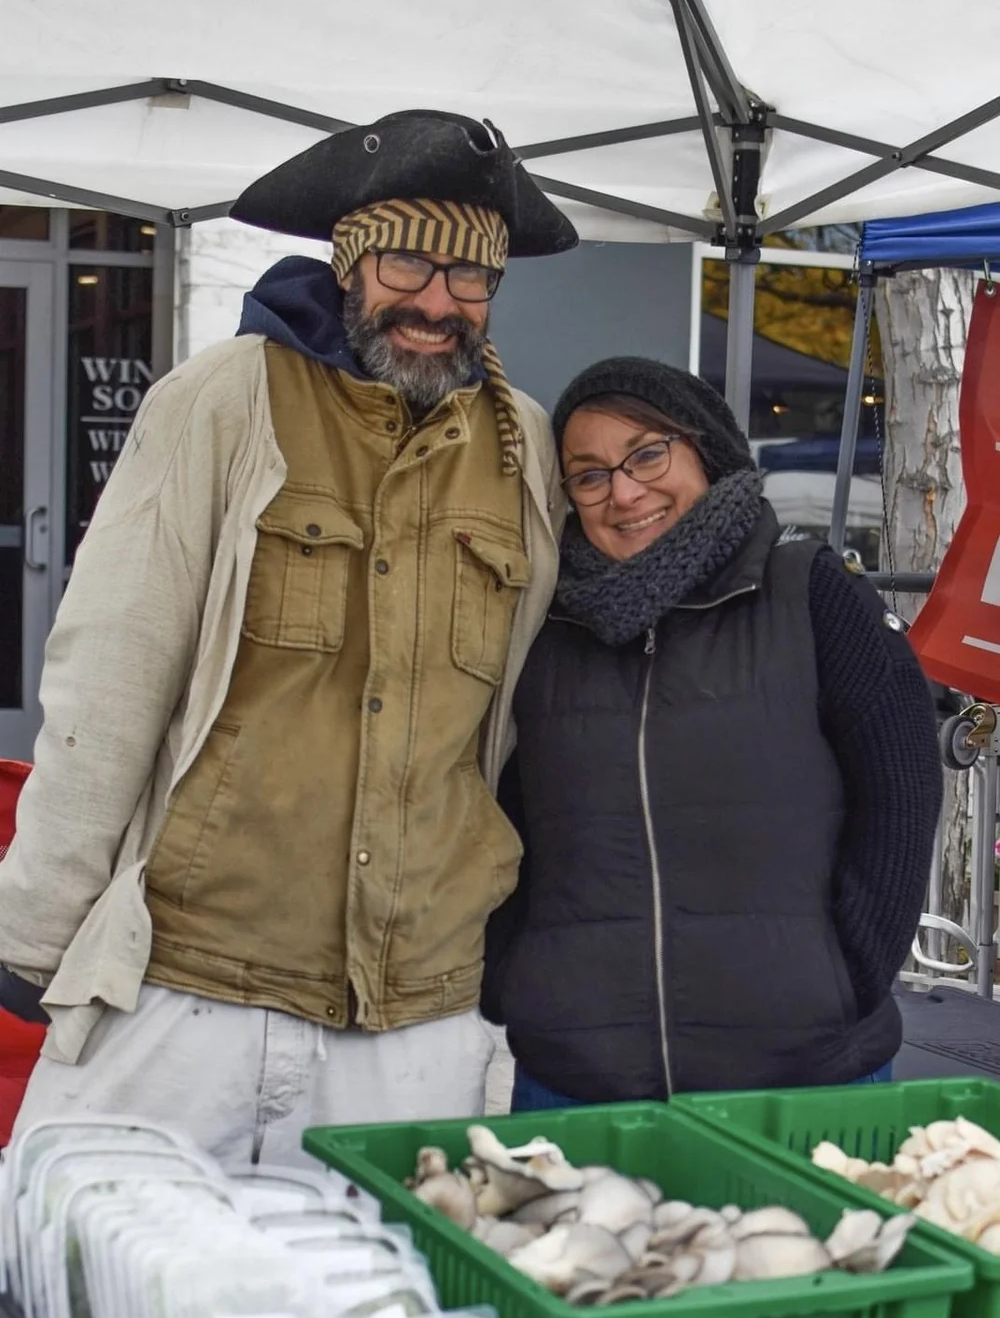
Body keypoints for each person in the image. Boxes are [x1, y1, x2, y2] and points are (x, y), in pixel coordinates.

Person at [0, 110, 579, 1161]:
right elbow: (111, 670)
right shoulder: (223, 401)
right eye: (410, 262)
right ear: (352, 261)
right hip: (196, 976)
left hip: (421, 1004)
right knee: (98, 1288)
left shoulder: (522, 443)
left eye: (471, 281)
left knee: (384, 1309)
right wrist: (39, 924)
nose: (437, 304)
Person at [482, 358, 944, 1110]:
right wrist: (516, 975)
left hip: (805, 1075)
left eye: (647, 453)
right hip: (577, 1076)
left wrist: (849, 972)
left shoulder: (809, 591)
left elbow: (902, 786)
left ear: (708, 449)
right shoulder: (546, 626)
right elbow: (501, 811)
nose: (624, 491)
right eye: (589, 474)